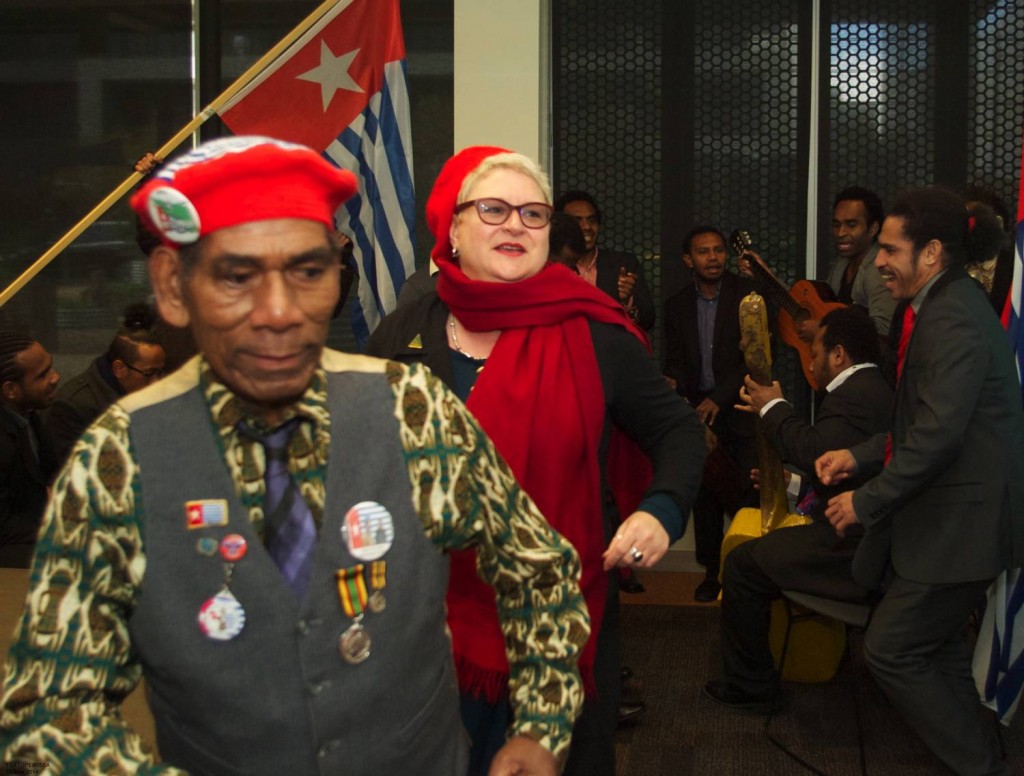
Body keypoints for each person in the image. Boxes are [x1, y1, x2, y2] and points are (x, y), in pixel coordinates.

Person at [0, 137, 591, 776]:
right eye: (237, 276)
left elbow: (540, 569)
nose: (279, 313)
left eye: (307, 272)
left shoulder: (412, 411)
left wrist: (542, 723)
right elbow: (47, 710)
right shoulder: (120, 459)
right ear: (174, 288)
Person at [367, 146, 705, 776]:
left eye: (533, 214)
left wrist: (661, 511)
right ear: (454, 227)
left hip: (562, 613)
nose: (515, 225)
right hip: (426, 616)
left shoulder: (595, 333)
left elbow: (678, 432)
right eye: (493, 209)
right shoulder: (402, 333)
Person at [818, 187, 1024, 775]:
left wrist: (867, 500)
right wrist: (858, 457)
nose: (878, 261)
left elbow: (936, 437)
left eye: (889, 248)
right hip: (957, 520)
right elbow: (918, 420)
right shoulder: (939, 304)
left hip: (965, 525)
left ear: (931, 252)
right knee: (934, 648)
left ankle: (978, 765)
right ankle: (982, 757)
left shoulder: (951, 314)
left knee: (893, 648)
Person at [702, 306, 892, 710]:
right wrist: (786, 483)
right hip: (856, 528)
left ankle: (752, 687)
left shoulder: (856, 394)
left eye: (816, 350)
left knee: (741, 565)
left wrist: (773, 406)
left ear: (839, 354)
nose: (810, 359)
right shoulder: (870, 388)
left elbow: (814, 451)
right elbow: (839, 469)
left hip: (851, 545)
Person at [663, 225, 759, 602]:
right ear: (689, 259)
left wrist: (718, 397)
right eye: (703, 252)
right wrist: (678, 392)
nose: (714, 258)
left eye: (718, 250)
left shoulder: (747, 296)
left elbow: (753, 359)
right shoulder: (676, 305)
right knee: (704, 497)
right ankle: (712, 572)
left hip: (741, 406)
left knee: (747, 490)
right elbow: (675, 361)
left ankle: (746, 571)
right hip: (698, 414)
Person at [44, 302, 166, 466]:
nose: (157, 382)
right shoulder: (74, 407)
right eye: (149, 374)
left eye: (160, 373)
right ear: (119, 368)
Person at [554, 190, 656, 330]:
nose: (587, 227)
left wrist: (627, 301)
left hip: (611, 350)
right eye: (577, 221)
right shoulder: (551, 267)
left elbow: (647, 322)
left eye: (591, 220)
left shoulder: (624, 264)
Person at [0, 333, 60, 567]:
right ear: (11, 390)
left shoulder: (30, 415)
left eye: (51, 368)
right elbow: (4, 526)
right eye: (43, 375)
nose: (56, 377)